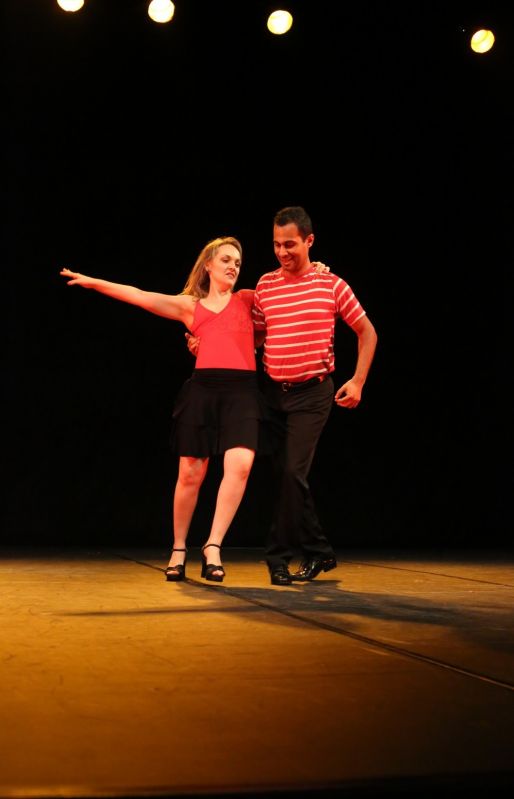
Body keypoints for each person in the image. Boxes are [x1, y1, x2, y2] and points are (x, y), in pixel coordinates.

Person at [188, 207, 377, 586]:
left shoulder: (332, 284)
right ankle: (320, 551)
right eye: (276, 244)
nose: (282, 251)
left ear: (309, 241)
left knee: (293, 473)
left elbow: (367, 332)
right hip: (272, 394)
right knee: (285, 479)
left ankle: (277, 558)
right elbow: (252, 336)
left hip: (312, 393)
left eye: (290, 244)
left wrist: (357, 381)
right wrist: (207, 342)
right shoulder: (266, 286)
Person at [60, 236, 262, 584]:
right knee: (190, 474)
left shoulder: (246, 300)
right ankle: (179, 548)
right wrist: (93, 282)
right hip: (203, 391)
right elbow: (141, 296)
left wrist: (317, 270)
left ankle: (213, 546)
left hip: (242, 392)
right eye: (226, 260)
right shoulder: (190, 307)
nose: (233, 266)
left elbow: (285, 297)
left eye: (238, 263)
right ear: (209, 266)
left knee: (241, 465)